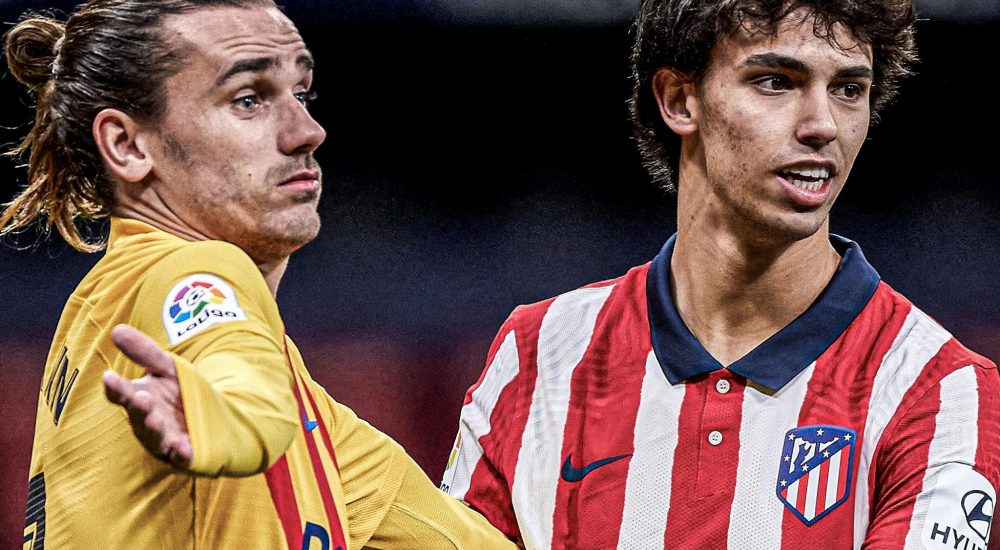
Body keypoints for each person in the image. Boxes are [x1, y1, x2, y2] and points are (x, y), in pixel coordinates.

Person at [441, 0, 1000, 548]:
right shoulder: (537, 356)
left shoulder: (938, 389)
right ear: (680, 100)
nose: (823, 125)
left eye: (848, 89)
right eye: (777, 82)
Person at [2, 1, 513, 548]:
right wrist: (219, 416)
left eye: (301, 94)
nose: (308, 131)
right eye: (247, 99)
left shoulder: (303, 413)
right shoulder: (190, 268)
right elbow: (238, 381)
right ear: (128, 146)